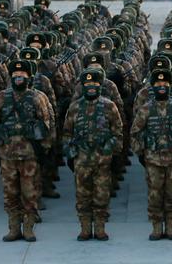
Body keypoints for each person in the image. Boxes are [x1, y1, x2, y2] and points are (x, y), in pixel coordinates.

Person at [0, 59, 52, 242]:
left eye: (22, 75)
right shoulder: (1, 97)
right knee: (10, 194)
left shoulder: (37, 97)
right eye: (15, 75)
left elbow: (46, 124)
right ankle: (14, 228)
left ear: (28, 77)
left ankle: (29, 228)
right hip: (7, 155)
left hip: (29, 154)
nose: (18, 77)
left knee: (29, 193)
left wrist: (43, 150)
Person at [130, 69, 172, 241]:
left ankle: (171, 227)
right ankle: (156, 227)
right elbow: (135, 132)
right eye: (158, 84)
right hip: (153, 160)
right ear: (153, 86)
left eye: (165, 84)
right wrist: (141, 154)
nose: (162, 86)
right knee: (155, 195)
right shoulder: (146, 109)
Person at [63, 68, 123, 241]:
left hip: (102, 161)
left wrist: (109, 148)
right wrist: (70, 151)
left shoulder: (109, 106)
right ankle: (85, 228)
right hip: (81, 160)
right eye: (88, 84)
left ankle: (100, 228)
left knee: (101, 195)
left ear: (100, 86)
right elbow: (67, 133)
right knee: (82, 196)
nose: (91, 87)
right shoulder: (75, 107)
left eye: (94, 84)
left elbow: (118, 131)